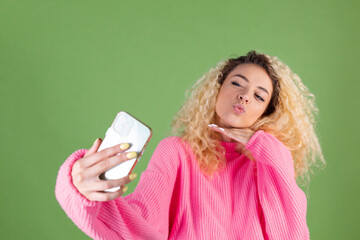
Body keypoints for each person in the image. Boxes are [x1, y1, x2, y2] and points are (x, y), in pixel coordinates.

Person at [55, 50, 324, 240]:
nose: (244, 95)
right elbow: (139, 227)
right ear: (216, 90)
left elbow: (292, 234)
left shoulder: (267, 168)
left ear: (266, 112)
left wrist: (270, 151)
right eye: (237, 83)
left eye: (258, 96)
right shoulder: (177, 152)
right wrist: (78, 188)